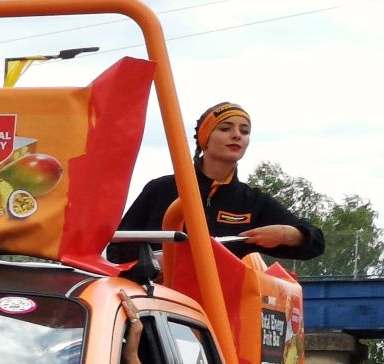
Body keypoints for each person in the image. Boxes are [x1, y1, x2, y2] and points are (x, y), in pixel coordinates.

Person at [108, 101, 326, 264]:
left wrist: (288, 235)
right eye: (225, 129)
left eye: (244, 131)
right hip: (160, 306)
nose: (237, 135)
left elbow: (316, 242)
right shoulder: (161, 189)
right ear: (205, 139)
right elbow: (116, 248)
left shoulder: (252, 202)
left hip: (222, 309)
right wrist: (153, 263)